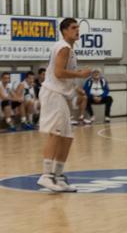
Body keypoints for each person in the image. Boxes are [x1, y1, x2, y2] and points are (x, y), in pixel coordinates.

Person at [37, 18, 92, 192]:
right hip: (52, 94)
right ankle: (46, 175)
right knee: (56, 133)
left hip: (60, 94)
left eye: (78, 27)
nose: (77, 30)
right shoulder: (64, 48)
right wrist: (80, 74)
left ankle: (59, 176)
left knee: (67, 136)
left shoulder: (69, 49)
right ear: (64, 31)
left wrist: (76, 88)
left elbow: (63, 76)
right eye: (73, 28)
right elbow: (59, 73)